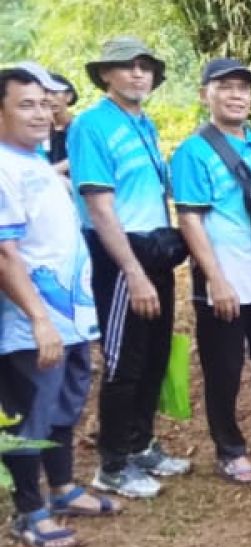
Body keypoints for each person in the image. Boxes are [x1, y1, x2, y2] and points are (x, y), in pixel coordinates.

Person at [0, 62, 120, 547]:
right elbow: (5, 254)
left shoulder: (34, 161)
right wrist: (39, 319)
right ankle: (29, 512)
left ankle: (64, 487)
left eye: (44, 104)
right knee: (29, 417)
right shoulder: (4, 168)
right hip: (32, 326)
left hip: (71, 318)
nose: (41, 114)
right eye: (25, 105)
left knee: (64, 408)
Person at [170, 58, 251, 484]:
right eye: (225, 86)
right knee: (224, 367)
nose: (236, 95)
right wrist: (215, 279)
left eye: (243, 88)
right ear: (205, 93)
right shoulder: (193, 152)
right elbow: (190, 218)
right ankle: (229, 449)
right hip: (224, 279)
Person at [70, 36, 192, 499]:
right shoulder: (92, 126)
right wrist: (133, 272)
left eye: (145, 66)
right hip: (121, 256)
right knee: (125, 359)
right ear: (106, 74)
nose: (138, 73)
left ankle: (141, 445)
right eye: (126, 66)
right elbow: (100, 208)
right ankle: (113, 464)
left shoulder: (143, 123)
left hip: (154, 250)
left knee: (155, 354)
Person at [46, 72, 76, 177]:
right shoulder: (40, 130)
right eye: (45, 93)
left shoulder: (80, 127)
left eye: (54, 93)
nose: (49, 98)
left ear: (68, 96)